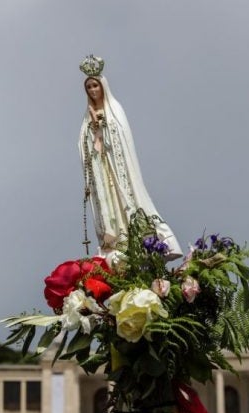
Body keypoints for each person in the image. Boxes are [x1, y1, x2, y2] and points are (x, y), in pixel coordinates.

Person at [78, 55, 182, 260]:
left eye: (95, 86)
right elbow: (83, 144)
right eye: (89, 87)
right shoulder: (86, 116)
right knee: (109, 207)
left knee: (127, 201)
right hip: (102, 169)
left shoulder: (114, 110)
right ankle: (116, 241)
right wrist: (91, 129)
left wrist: (103, 126)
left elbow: (121, 138)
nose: (92, 90)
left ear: (103, 86)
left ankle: (142, 238)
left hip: (118, 170)